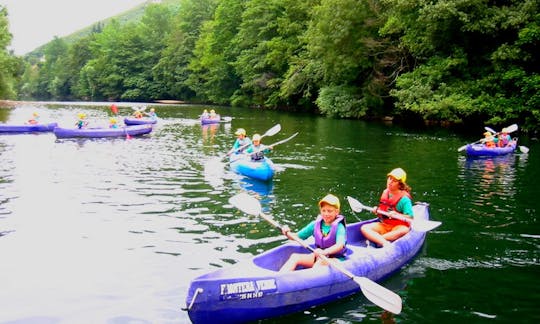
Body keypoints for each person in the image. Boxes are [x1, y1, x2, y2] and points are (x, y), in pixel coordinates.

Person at [279, 194, 347, 272]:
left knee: (319, 264)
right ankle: (279, 278)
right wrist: (287, 232)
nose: (326, 214)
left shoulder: (339, 227)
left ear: (336, 212)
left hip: (336, 259)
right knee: (295, 257)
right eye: (323, 210)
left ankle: (304, 282)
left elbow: (340, 245)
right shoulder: (315, 224)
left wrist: (324, 252)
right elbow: (297, 237)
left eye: (329, 211)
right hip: (319, 256)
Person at [361, 168, 414, 248]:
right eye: (390, 178)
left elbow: (410, 217)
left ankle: (377, 240)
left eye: (394, 180)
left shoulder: (404, 199)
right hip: (385, 225)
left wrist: (396, 214)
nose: (390, 182)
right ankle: (383, 242)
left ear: (400, 184)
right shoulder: (385, 192)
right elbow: (383, 212)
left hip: (398, 227)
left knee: (404, 230)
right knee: (364, 228)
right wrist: (377, 210)